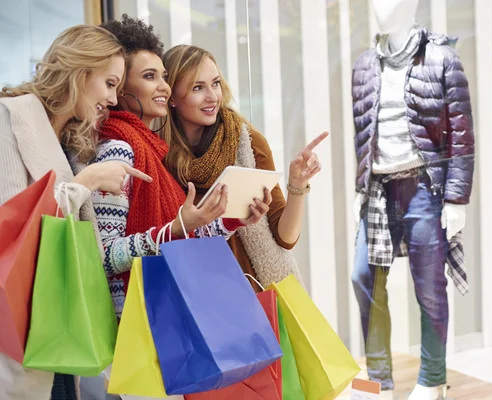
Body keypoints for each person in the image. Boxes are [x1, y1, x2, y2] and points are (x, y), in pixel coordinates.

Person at [0, 24, 150, 400]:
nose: (114, 99)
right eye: (109, 83)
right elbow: (14, 232)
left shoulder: (63, 141)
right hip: (21, 335)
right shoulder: (10, 118)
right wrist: (89, 180)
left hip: (56, 332)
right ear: (81, 70)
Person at [95, 16, 269, 319]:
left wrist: (230, 220)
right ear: (120, 88)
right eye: (150, 77)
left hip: (158, 313)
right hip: (130, 323)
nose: (164, 86)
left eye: (163, 76)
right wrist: (177, 227)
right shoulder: (118, 150)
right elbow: (104, 256)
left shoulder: (153, 150)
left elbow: (178, 238)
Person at [161, 44, 328, 290]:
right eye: (198, 87)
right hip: (190, 287)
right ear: (172, 97)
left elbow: (285, 238)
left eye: (215, 83)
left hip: (251, 289)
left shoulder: (247, 143)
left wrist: (298, 184)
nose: (212, 96)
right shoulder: (159, 154)